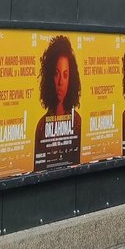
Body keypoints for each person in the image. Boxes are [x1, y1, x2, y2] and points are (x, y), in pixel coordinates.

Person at [33, 35, 82, 171]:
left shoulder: (77, 122)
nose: (60, 82)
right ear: (50, 76)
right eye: (56, 73)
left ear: (71, 79)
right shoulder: (42, 126)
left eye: (65, 75)